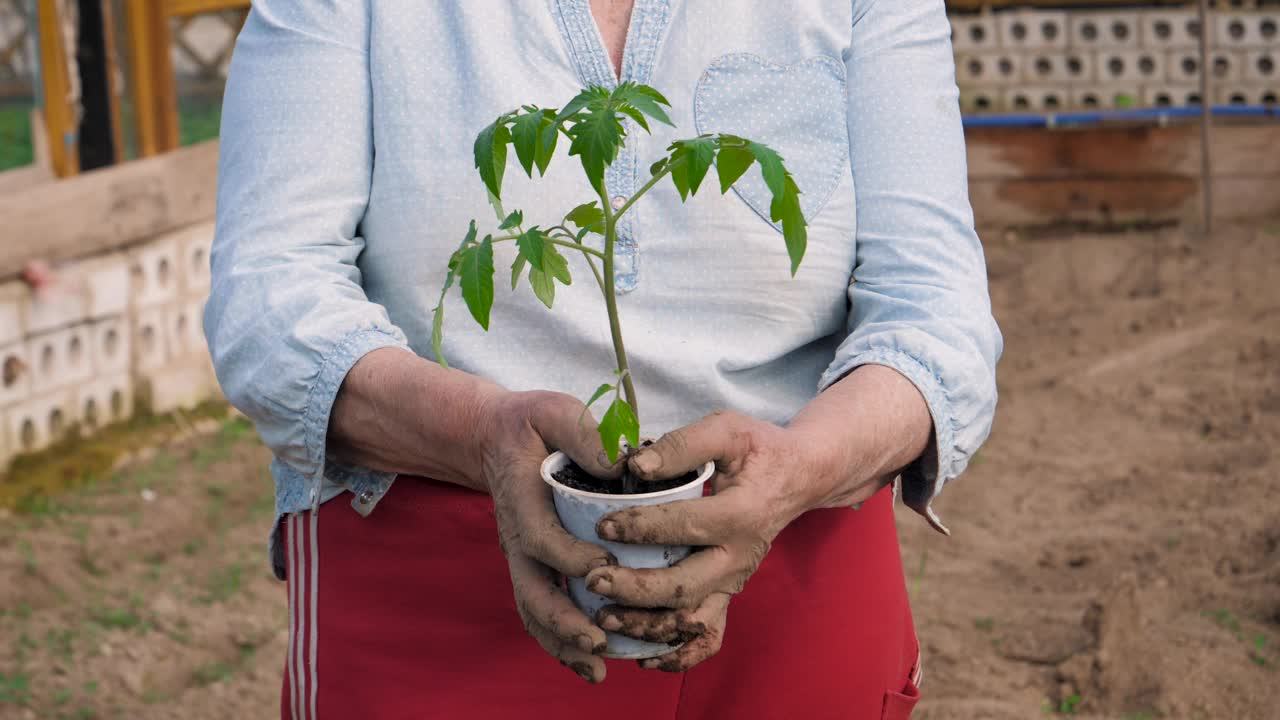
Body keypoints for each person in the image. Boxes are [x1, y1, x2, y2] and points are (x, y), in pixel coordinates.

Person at [206, 1, 1001, 717]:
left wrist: (799, 467)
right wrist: (482, 430)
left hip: (794, 555)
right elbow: (269, 300)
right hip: (435, 587)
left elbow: (935, 313)